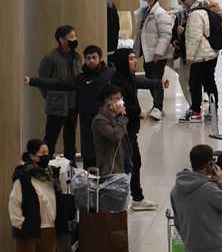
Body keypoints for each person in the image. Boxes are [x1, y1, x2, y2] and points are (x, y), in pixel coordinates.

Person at [28, 45, 116, 170]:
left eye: (94, 57)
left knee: (108, 157)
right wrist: (32, 81)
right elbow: (58, 83)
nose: (91, 61)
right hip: (88, 123)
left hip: (108, 121)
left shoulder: (111, 74)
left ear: (100, 58)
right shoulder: (80, 79)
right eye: (88, 58)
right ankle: (89, 185)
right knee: (89, 158)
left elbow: (126, 86)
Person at [9, 140, 63, 252]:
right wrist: (21, 224)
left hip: (49, 229)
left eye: (47, 152)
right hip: (28, 231)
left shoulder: (51, 176)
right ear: (32, 156)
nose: (46, 156)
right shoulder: (22, 178)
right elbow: (14, 203)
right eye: (42, 153)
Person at [110, 49, 167, 212]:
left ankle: (134, 197)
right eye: (131, 58)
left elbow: (140, 83)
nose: (135, 61)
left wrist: (158, 83)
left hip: (129, 130)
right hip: (123, 130)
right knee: (132, 162)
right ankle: (136, 198)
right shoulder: (118, 82)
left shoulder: (127, 78)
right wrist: (138, 111)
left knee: (133, 162)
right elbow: (112, 105)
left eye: (135, 58)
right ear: (122, 62)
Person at [39, 26, 82, 163]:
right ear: (62, 40)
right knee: (51, 139)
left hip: (73, 105)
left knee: (70, 140)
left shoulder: (76, 57)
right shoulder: (51, 58)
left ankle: (71, 169)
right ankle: (46, 167)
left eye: (75, 37)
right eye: (71, 37)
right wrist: (52, 97)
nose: (74, 40)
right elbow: (43, 81)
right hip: (57, 106)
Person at [180, 0, 220, 122]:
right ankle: (214, 111)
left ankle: (196, 112)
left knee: (195, 83)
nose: (184, 2)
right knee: (209, 82)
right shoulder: (205, 10)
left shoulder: (195, 14)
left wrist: (189, 56)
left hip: (201, 55)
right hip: (211, 53)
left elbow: (195, 37)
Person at [132, 0, 173, 121]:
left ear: (152, 0)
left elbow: (166, 34)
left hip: (157, 54)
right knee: (150, 79)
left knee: (156, 79)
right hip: (148, 53)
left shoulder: (160, 14)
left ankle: (158, 107)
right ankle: (157, 105)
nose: (141, 1)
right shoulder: (144, 12)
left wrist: (159, 53)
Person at [91, 84, 130, 180]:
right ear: (108, 102)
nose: (121, 102)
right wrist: (122, 117)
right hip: (111, 170)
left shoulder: (115, 118)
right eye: (117, 99)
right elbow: (115, 136)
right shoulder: (99, 121)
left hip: (124, 167)